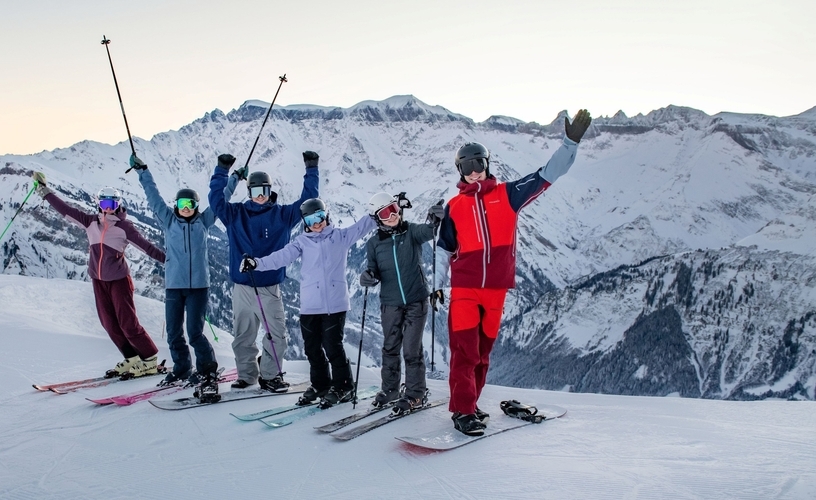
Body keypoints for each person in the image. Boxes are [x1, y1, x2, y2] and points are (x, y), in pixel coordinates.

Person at [435, 109, 592, 435]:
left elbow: (548, 175)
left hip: (495, 290)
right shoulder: (454, 206)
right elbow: (443, 248)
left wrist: (569, 143)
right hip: (464, 289)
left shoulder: (507, 195)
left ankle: (471, 403)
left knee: (482, 355)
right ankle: (462, 411)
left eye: (479, 164)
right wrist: (437, 285)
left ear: (487, 165)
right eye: (467, 166)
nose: (475, 172)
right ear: (460, 171)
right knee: (464, 352)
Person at [240, 198, 377, 407]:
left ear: (326, 215)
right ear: (304, 221)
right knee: (312, 349)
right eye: (311, 219)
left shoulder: (340, 237)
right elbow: (281, 258)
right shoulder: (302, 242)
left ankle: (344, 386)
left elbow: (364, 224)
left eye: (319, 217)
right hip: (310, 305)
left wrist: (384, 208)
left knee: (333, 347)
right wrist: (256, 263)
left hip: (335, 305)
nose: (316, 223)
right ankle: (320, 384)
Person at [31, 171, 166, 379]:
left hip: (119, 281)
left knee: (128, 323)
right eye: (104, 204)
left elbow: (147, 248)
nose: (108, 208)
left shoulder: (124, 227)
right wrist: (44, 191)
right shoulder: (90, 222)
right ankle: (132, 358)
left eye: (112, 204)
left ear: (118, 205)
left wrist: (171, 261)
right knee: (108, 323)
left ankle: (149, 358)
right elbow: (64, 210)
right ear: (99, 205)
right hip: (98, 280)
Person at [128, 155, 239, 401]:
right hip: (174, 287)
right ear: (176, 205)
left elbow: (222, 200)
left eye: (190, 203)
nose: (185, 207)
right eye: (181, 203)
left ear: (196, 206)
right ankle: (181, 369)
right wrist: (143, 170)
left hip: (199, 287)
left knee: (195, 333)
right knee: (174, 334)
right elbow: (153, 196)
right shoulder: (168, 221)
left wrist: (234, 179)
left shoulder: (204, 221)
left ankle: (207, 371)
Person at [208, 151, 320, 392]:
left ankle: (270, 375)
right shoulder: (235, 214)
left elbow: (308, 199)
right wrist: (221, 171)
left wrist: (312, 169)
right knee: (243, 335)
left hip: (270, 286)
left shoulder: (283, 215)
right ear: (249, 193)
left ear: (270, 192)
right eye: (256, 192)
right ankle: (247, 375)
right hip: (243, 287)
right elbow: (216, 201)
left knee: (276, 334)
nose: (260, 197)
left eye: (264, 192)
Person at [359, 192, 445, 413]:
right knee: (390, 348)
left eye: (394, 209)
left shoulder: (411, 232)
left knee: (411, 350)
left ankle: (416, 393)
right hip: (390, 303)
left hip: (416, 300)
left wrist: (434, 220)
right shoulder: (374, 244)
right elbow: (373, 270)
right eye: (385, 213)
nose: (393, 215)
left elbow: (429, 231)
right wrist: (367, 277)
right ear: (377, 218)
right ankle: (390, 390)